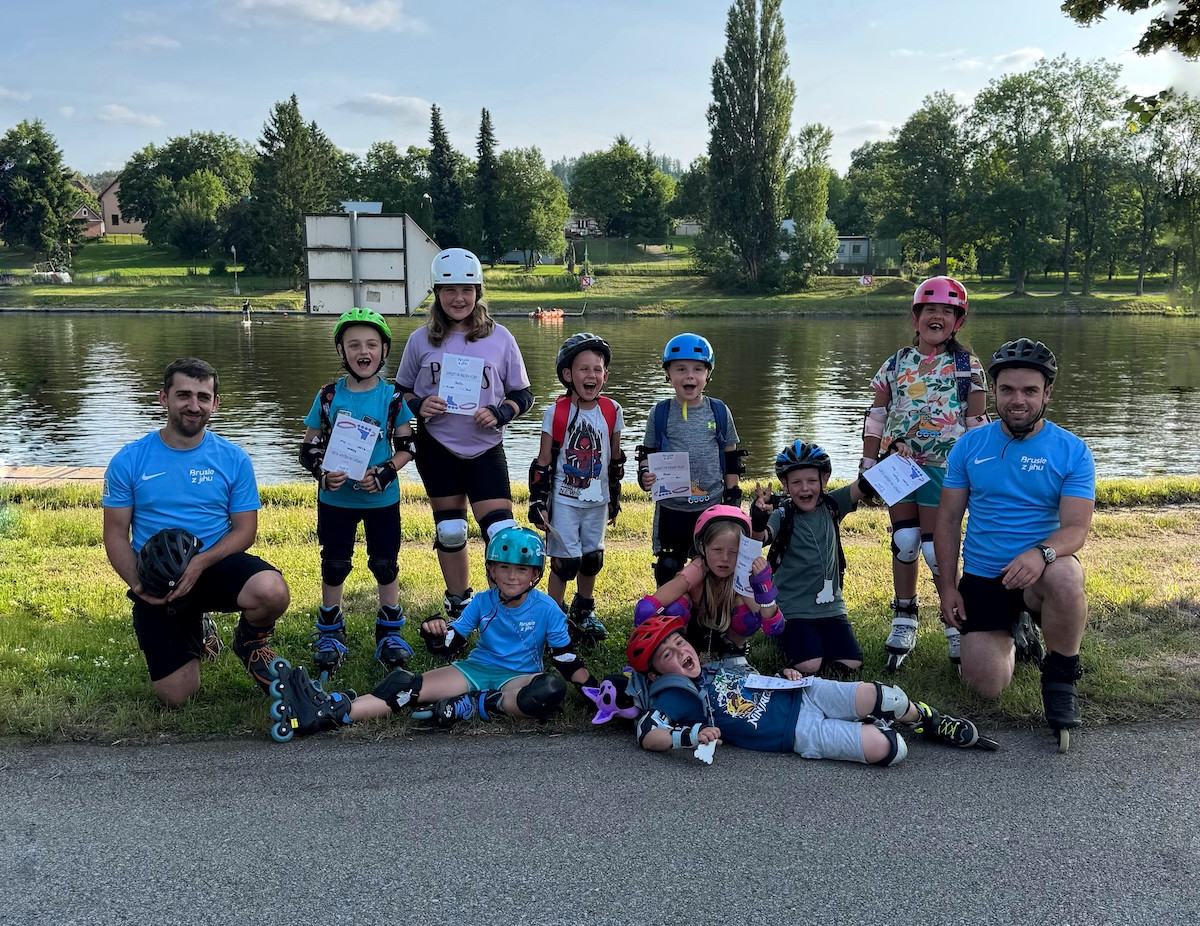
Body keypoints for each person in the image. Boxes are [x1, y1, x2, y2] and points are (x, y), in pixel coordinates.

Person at [266, 527, 595, 740]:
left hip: (520, 678)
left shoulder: (547, 608)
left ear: (535, 575)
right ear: (491, 570)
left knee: (549, 690)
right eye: (504, 568)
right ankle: (326, 711)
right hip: (476, 669)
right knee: (404, 686)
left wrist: (597, 694)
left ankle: (477, 704)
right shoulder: (482, 601)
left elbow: (565, 659)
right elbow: (451, 643)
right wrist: (435, 633)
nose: (511, 577)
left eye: (521, 569)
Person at [933, 338, 1095, 748]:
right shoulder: (969, 445)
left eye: (1029, 390)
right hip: (984, 576)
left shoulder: (1073, 451)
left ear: (1047, 393)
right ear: (994, 390)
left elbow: (1076, 529)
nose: (1017, 400)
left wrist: (1040, 553)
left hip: (1040, 572)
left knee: (1066, 575)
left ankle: (1060, 680)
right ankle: (1017, 632)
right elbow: (947, 520)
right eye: (1007, 390)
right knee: (986, 687)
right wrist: (947, 587)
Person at [102, 358, 290, 706]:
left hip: (214, 565)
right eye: (183, 395)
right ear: (164, 398)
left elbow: (245, 531)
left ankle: (250, 641)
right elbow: (114, 535)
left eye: (203, 397)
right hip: (159, 578)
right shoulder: (129, 460)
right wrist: (139, 584)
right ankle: (199, 629)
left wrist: (200, 563)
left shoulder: (233, 458)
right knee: (177, 698)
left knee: (272, 590)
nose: (194, 405)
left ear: (215, 403)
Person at [623, 614, 992, 765]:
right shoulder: (674, 697)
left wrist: (782, 675)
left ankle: (927, 720)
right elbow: (647, 734)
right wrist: (691, 736)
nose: (681, 653)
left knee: (888, 698)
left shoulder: (713, 666)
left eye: (680, 643)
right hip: (798, 732)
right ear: (655, 676)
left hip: (804, 692)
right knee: (892, 750)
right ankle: (878, 725)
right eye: (668, 655)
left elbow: (753, 679)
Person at [396, 248, 534, 624]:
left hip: (485, 447)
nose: (459, 298)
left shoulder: (500, 338)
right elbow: (400, 392)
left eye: (466, 290)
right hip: (438, 447)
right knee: (451, 530)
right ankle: (459, 604)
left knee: (502, 532)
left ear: (478, 293)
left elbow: (524, 394)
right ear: (437, 294)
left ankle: (506, 605)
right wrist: (418, 404)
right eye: (449, 290)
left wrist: (501, 412)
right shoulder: (420, 340)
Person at [862, 276, 988, 670]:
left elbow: (977, 425)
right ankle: (904, 616)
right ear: (915, 317)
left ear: (957, 322)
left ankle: (954, 621)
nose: (938, 316)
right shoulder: (896, 363)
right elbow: (876, 415)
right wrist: (868, 464)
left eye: (947, 312)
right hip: (898, 467)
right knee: (904, 540)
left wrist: (983, 474)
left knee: (936, 548)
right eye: (930, 309)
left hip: (944, 470)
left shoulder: (968, 367)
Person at [298, 309, 416, 678]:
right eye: (353, 345)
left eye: (371, 345)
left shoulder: (392, 397)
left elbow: (408, 446)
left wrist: (385, 472)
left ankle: (390, 630)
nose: (363, 352)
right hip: (337, 499)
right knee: (335, 563)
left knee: (384, 563)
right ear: (341, 351)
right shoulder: (328, 396)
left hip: (381, 498)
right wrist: (321, 473)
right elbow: (308, 446)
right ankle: (330, 631)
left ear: (384, 351)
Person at [750, 441, 879, 679]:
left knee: (852, 662)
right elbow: (761, 537)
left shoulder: (833, 504)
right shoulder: (782, 514)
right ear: (785, 484)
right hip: (793, 608)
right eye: (796, 482)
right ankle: (784, 636)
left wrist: (893, 455)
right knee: (810, 665)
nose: (804, 488)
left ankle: (815, 642)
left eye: (811, 480)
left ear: (825, 479)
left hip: (831, 607)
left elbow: (866, 484)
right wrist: (758, 520)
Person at [528, 332, 625, 644]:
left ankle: (583, 610)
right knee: (564, 562)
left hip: (597, 501)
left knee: (592, 558)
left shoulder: (612, 410)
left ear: (605, 376)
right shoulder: (556, 413)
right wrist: (538, 502)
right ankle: (553, 616)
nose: (591, 375)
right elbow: (543, 462)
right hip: (564, 502)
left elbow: (615, 460)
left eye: (597, 369)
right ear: (568, 375)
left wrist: (614, 497)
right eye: (584, 369)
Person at [637, 333, 745, 587]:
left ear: (708, 374)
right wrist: (644, 476)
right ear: (668, 374)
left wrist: (733, 499)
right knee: (668, 566)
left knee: (710, 565)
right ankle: (670, 608)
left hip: (710, 504)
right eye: (681, 369)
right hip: (671, 507)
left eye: (698, 369)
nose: (689, 376)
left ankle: (708, 608)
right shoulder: (660, 413)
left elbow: (731, 457)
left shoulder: (719, 411)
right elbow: (647, 454)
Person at [633, 505, 783, 667]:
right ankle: (679, 648)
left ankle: (733, 650)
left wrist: (763, 591)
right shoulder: (697, 569)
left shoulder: (741, 574)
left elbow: (773, 626)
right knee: (677, 605)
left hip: (726, 631)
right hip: (693, 627)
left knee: (747, 615)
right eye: (717, 549)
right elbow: (647, 607)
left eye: (734, 551)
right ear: (702, 547)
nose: (725, 558)